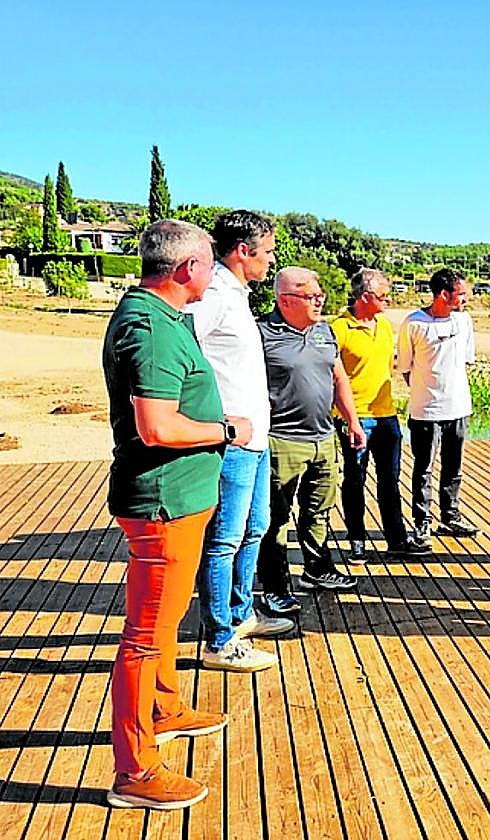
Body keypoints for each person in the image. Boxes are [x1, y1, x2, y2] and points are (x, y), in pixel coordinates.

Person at [102, 219, 252, 809]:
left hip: (182, 499)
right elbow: (156, 426)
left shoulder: (162, 317)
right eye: (210, 262)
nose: (213, 272)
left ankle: (163, 706)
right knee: (143, 635)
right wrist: (226, 429)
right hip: (163, 500)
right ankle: (135, 772)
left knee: (164, 622)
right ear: (187, 268)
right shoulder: (153, 329)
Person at [185, 210, 292, 673]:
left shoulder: (237, 295)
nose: (271, 260)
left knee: (255, 527)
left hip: (256, 437)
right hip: (233, 440)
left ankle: (241, 614)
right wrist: (215, 416)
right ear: (243, 251)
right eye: (267, 251)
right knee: (225, 537)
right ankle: (219, 639)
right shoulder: (215, 295)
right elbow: (184, 348)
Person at [257, 267, 365, 609]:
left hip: (323, 437)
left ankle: (317, 569)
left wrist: (353, 421)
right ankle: (275, 586)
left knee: (318, 510)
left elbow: (338, 378)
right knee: (275, 519)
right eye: (311, 296)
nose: (320, 301)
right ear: (285, 300)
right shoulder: (261, 334)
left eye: (321, 295)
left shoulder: (323, 332)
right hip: (281, 440)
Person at [396, 268, 479, 552]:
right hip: (425, 412)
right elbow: (405, 368)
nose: (466, 299)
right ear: (444, 294)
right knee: (423, 469)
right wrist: (425, 390)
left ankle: (450, 516)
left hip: (459, 408)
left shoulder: (464, 321)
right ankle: (422, 523)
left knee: (454, 466)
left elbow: (466, 360)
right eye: (462, 294)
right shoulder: (414, 323)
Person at [330, 269, 408, 561]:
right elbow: (332, 375)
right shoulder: (339, 328)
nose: (388, 299)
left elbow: (388, 366)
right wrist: (348, 419)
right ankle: (356, 539)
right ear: (364, 297)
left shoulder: (385, 326)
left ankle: (397, 539)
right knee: (355, 479)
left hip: (387, 415)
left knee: (390, 479)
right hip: (356, 418)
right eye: (383, 295)